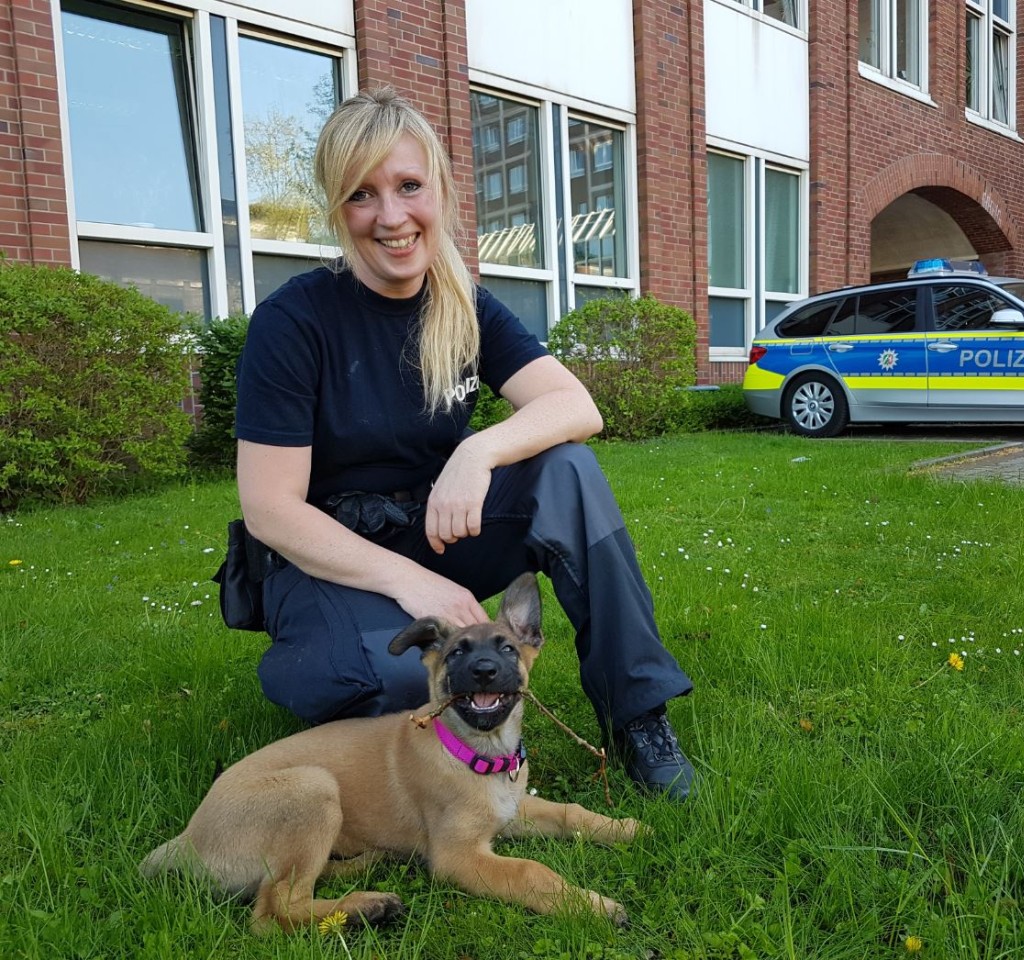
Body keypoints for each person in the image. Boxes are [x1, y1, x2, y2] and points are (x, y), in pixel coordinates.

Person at [233, 88, 695, 799]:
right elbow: (269, 509)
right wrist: (411, 583)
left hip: (431, 527)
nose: (391, 217)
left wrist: (475, 453)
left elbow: (576, 406)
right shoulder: (293, 321)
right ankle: (327, 673)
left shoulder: (462, 302)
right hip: (323, 558)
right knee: (398, 690)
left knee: (567, 471)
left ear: (440, 191)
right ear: (337, 208)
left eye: (409, 187)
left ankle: (639, 717)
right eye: (362, 195)